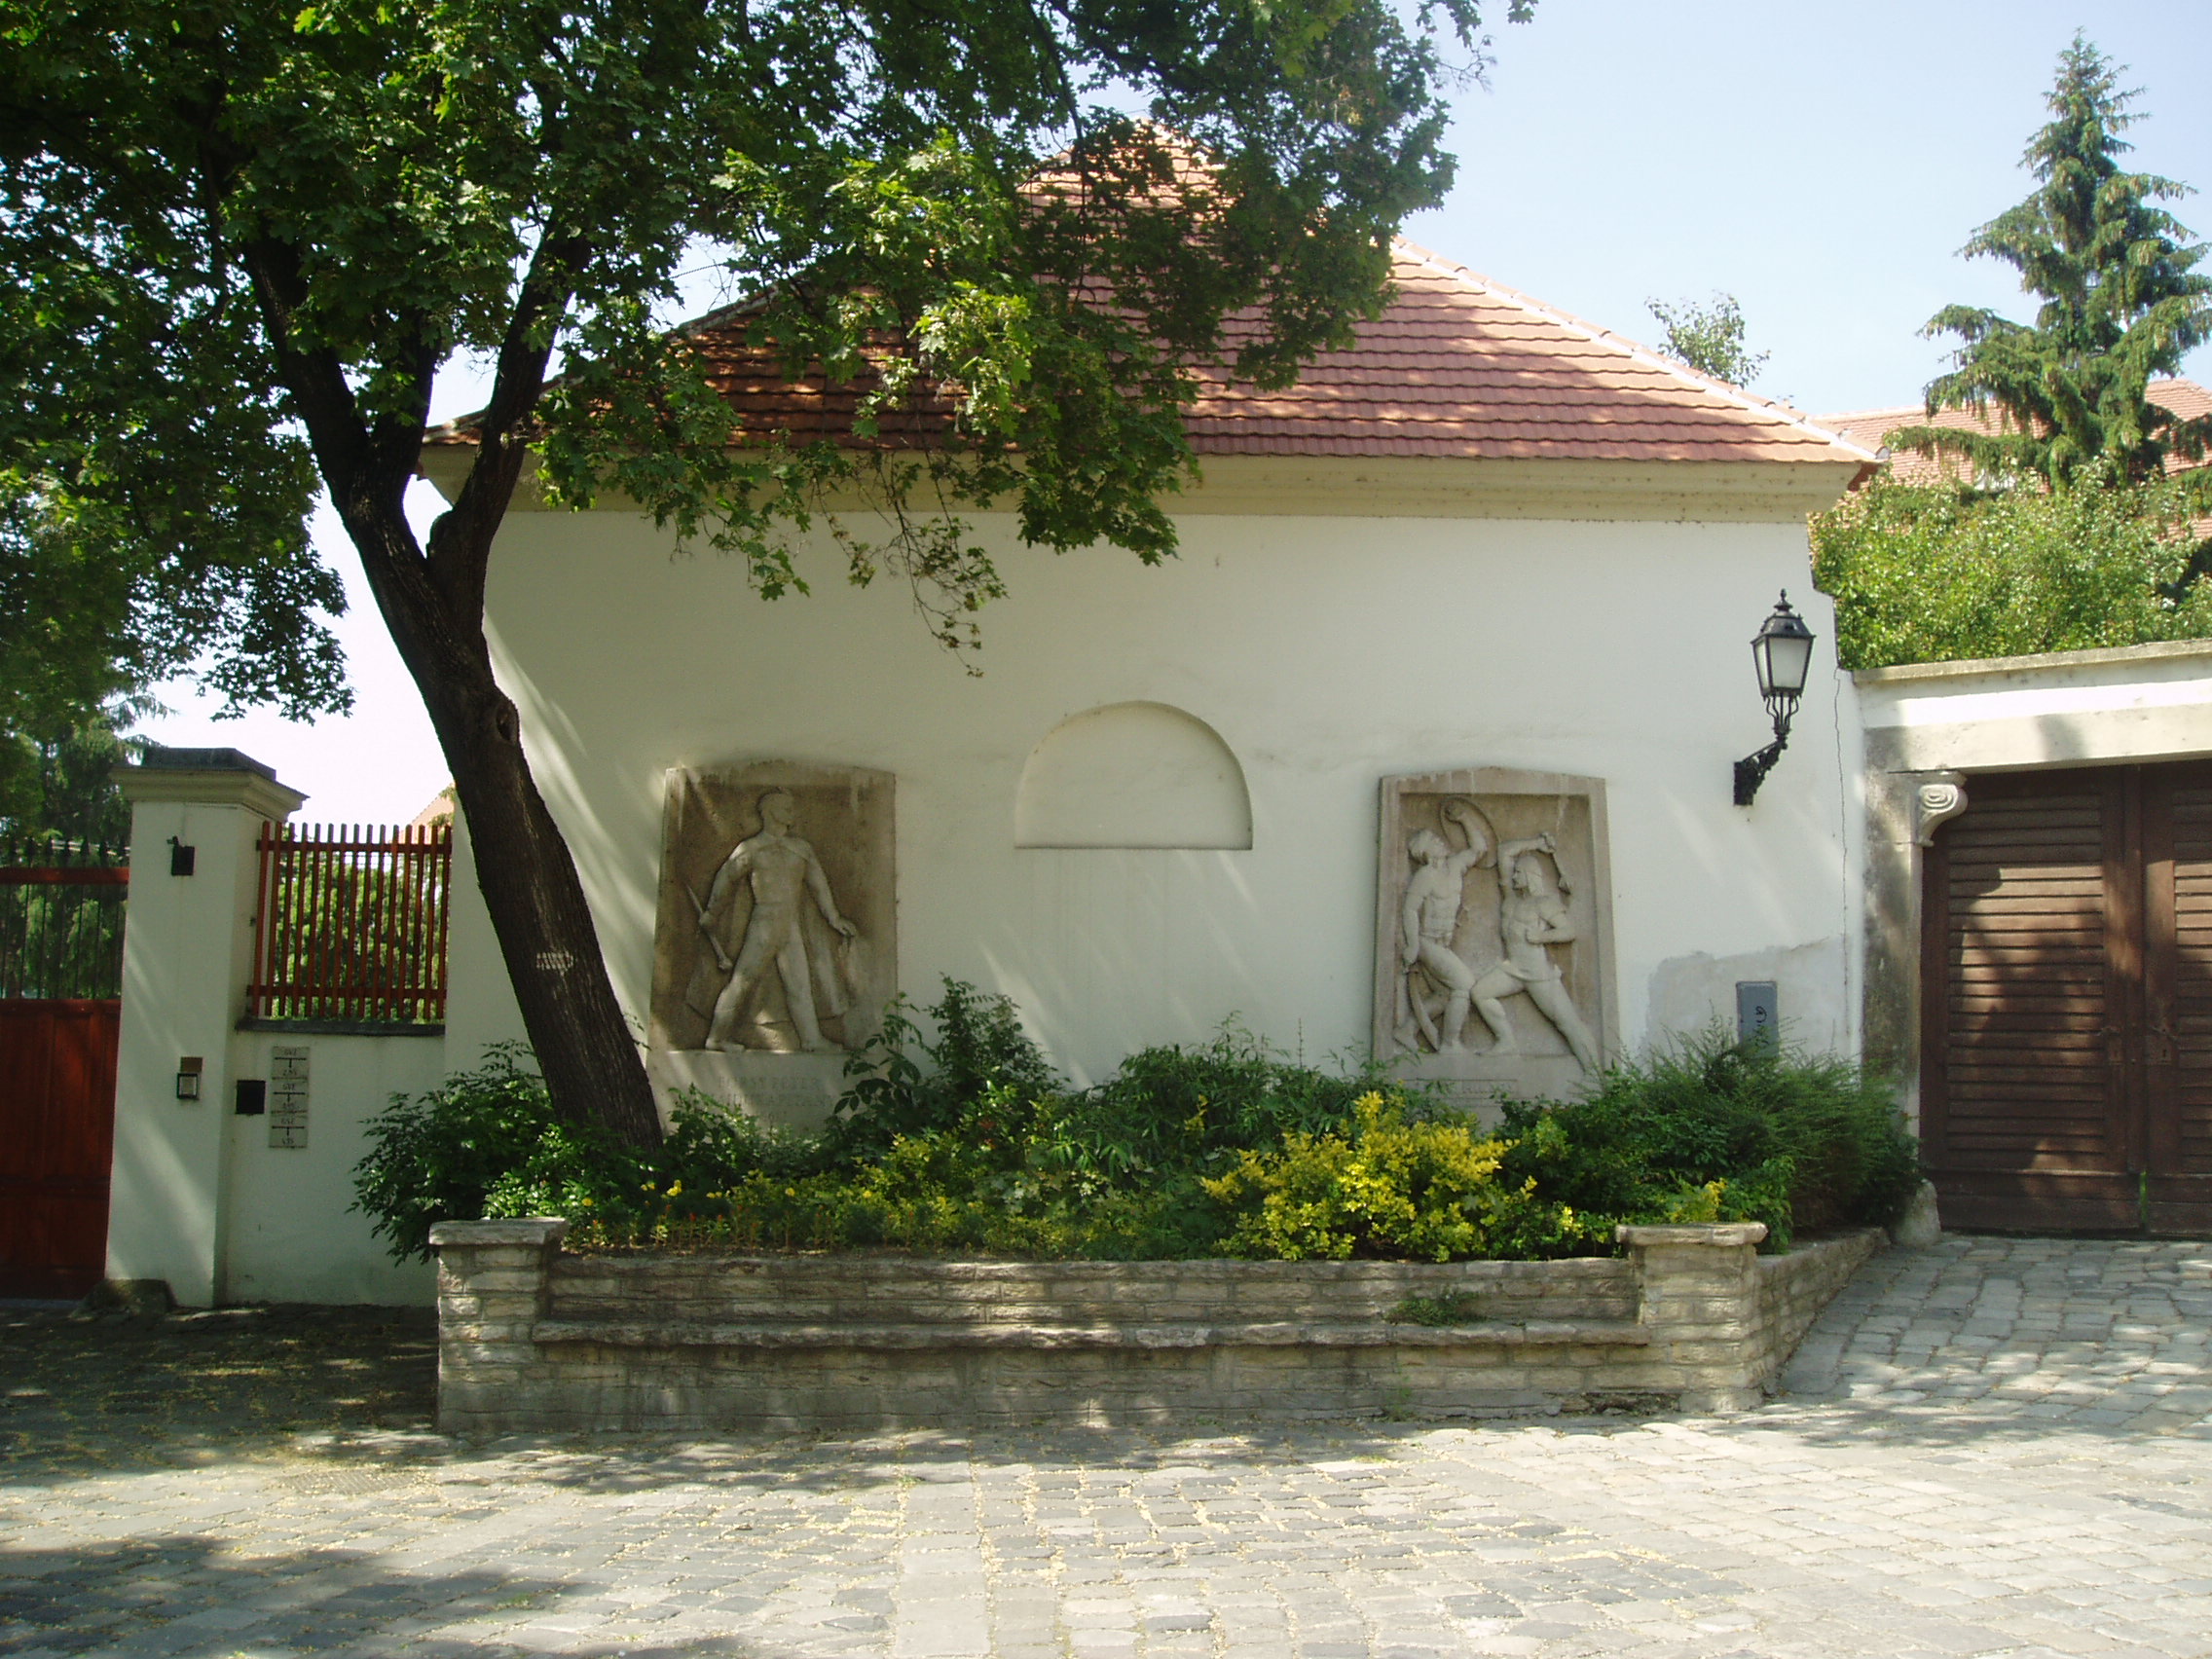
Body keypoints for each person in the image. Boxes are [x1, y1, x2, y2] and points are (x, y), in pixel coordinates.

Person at [702, 790, 859, 1051]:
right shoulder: (752, 848)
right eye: (787, 808)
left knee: (799, 985)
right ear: (771, 811)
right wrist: (712, 912)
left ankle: (811, 1040)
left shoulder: (801, 849)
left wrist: (834, 917)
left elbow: (819, 885)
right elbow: (725, 878)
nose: (792, 813)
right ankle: (717, 1038)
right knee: (742, 981)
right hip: (764, 923)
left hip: (790, 925)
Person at [1466, 831, 1601, 1073]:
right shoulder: (1511, 898)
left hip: (1538, 974)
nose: (1514, 876)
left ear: (1529, 876)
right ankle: (1507, 1043)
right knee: (1480, 993)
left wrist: (1542, 936)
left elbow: (1568, 931)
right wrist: (1537, 844)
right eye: (1514, 872)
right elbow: (1504, 852)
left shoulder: (1544, 903)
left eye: (1518, 873)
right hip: (1513, 970)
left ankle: (1595, 1074)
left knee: (1567, 1023)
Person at [1398, 798, 1493, 1051]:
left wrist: (1464, 819)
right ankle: (1451, 1044)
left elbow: (1479, 849)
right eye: (1434, 840)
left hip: (1444, 943)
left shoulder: (1455, 865)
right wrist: (1412, 946)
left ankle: (1407, 1030)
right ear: (1425, 851)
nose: (1441, 841)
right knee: (1465, 984)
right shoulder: (1425, 876)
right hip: (1427, 942)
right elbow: (1409, 909)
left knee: (1446, 994)